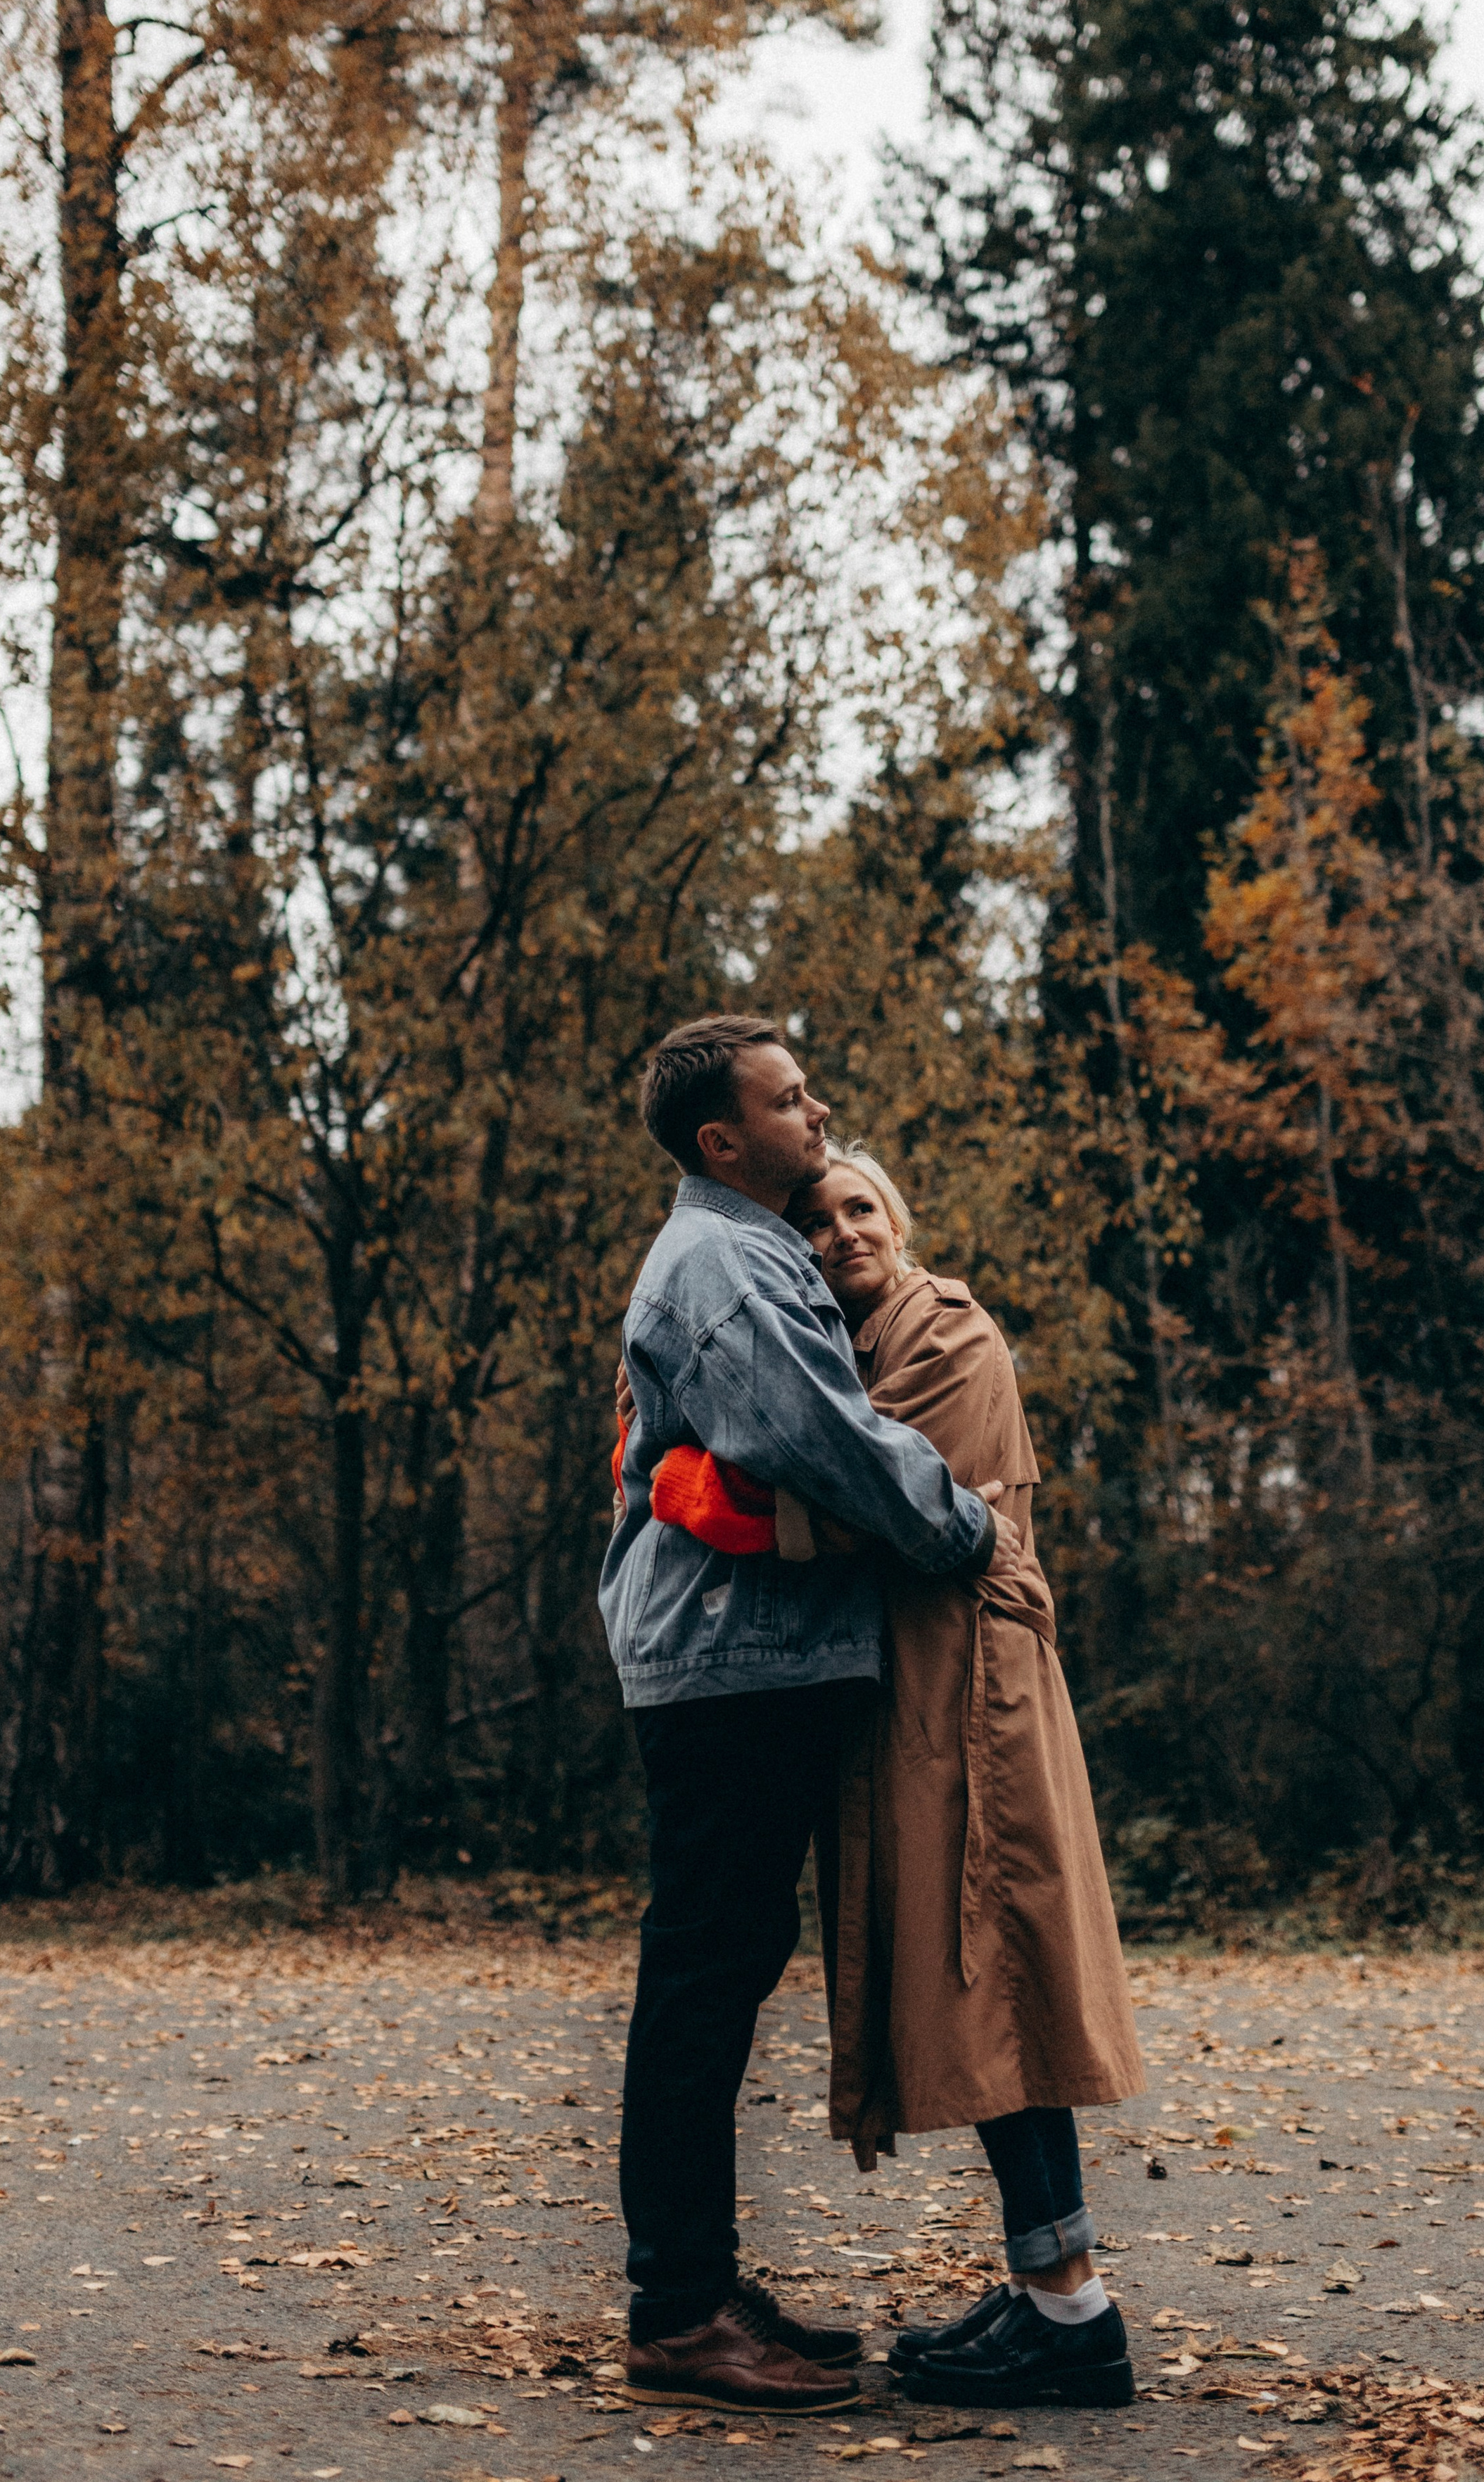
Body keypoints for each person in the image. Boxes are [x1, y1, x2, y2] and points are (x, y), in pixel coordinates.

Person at [601, 1016, 1027, 2419]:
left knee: (719, 1958)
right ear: (723, 1139)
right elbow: (831, 1446)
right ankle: (677, 2309)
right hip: (724, 1663)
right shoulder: (724, 1265)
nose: (816, 1108)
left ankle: (698, 2285)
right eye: (789, 1100)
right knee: (703, 1968)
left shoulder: (748, 1250)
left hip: (747, 1657)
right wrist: (967, 1526)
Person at [788, 1145, 1145, 2412]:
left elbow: (858, 1495)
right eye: (816, 1219)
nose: (839, 1234)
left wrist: (732, 1491)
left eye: (859, 1208)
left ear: (902, 1220)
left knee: (1005, 1979)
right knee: (995, 1991)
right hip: (925, 1701)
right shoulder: (843, 1344)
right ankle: (1058, 2292)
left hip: (977, 1704)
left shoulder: (944, 1334)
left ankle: (1075, 2320)